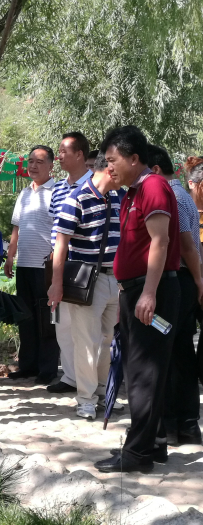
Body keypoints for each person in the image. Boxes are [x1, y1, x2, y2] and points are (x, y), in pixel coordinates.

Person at [94, 125, 181, 473]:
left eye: (112, 160)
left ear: (134, 158)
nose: (108, 167)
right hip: (134, 292)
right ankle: (154, 443)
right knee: (139, 370)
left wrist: (148, 293)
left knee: (145, 374)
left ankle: (137, 454)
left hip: (152, 292)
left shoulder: (153, 186)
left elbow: (160, 242)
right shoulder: (131, 193)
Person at [47, 153, 123, 420]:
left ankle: (102, 391)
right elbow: (60, 245)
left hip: (116, 279)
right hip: (87, 281)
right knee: (86, 342)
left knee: (108, 341)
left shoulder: (119, 196)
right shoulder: (76, 198)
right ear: (110, 169)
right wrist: (56, 284)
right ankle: (86, 399)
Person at [148, 144, 203, 446]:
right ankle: (187, 425)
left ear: (156, 170)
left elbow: (185, 245)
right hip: (184, 282)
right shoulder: (182, 195)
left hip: (177, 281)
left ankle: (172, 424)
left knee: (167, 352)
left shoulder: (173, 196)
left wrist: (198, 280)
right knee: (181, 352)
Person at [5, 146, 60, 384]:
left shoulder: (58, 191)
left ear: (51, 165)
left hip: (46, 266)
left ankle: (47, 369)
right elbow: (16, 228)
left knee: (47, 318)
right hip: (24, 264)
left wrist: (56, 259)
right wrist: (10, 256)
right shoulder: (24, 193)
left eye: (39, 162)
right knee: (25, 316)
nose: (33, 166)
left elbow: (62, 229)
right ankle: (27, 366)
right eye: (30, 161)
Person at [47, 132, 94, 394]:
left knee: (87, 328)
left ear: (80, 154)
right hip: (60, 263)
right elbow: (55, 226)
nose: (60, 156)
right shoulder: (58, 188)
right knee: (61, 323)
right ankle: (71, 377)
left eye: (64, 151)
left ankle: (93, 382)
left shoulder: (96, 186)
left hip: (85, 264)